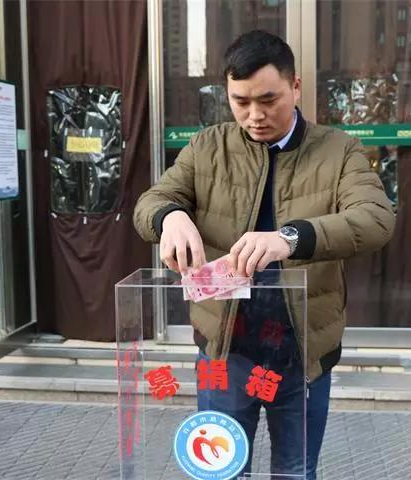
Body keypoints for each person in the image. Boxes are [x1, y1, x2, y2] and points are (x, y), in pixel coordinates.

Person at [134, 30, 395, 479]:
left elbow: (375, 218)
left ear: (296, 87)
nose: (254, 116)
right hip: (225, 350)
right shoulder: (207, 147)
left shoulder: (339, 151)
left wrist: (290, 238)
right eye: (240, 101)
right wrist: (169, 217)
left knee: (295, 470)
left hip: (301, 353)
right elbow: (151, 202)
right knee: (221, 470)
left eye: (268, 100)